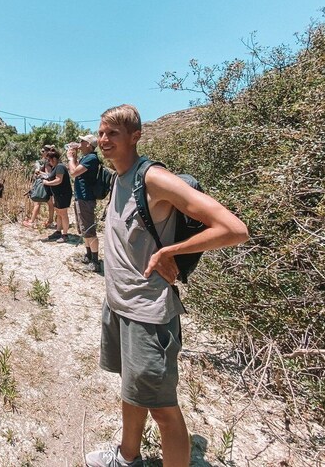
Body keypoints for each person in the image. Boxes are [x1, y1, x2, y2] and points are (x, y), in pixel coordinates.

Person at [85, 105, 249, 467]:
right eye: (101, 133)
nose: (104, 140)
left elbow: (234, 228)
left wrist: (172, 251)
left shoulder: (153, 178)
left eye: (113, 133)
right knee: (131, 386)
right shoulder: (117, 180)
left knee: (163, 410)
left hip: (149, 314)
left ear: (135, 136)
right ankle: (127, 456)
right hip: (119, 305)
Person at [66, 134, 101, 272]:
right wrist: (74, 158)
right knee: (84, 229)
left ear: (88, 144)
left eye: (82, 141)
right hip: (81, 197)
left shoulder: (91, 158)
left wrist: (70, 158)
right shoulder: (86, 158)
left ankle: (95, 261)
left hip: (86, 198)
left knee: (89, 230)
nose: (79, 143)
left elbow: (73, 172)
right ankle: (88, 255)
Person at [42, 149, 72, 243]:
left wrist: (47, 183)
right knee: (58, 213)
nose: (48, 162)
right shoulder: (56, 167)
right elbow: (51, 176)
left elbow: (58, 180)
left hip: (63, 194)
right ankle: (58, 231)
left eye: (49, 159)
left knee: (63, 214)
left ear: (54, 158)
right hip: (58, 194)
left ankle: (65, 235)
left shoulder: (60, 167)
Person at [23, 145, 55, 228]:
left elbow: (48, 175)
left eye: (43, 151)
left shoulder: (47, 162)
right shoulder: (50, 161)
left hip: (45, 184)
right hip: (49, 185)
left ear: (47, 152)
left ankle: (32, 221)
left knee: (37, 202)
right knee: (50, 203)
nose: (41, 153)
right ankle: (50, 221)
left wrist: (39, 172)